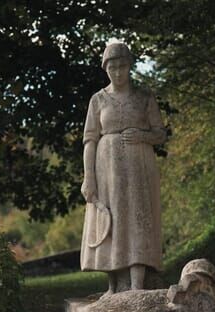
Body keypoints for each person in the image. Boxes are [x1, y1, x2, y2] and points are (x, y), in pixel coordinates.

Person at [80, 42, 167, 296]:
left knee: (137, 218)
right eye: (112, 67)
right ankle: (114, 285)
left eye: (122, 66)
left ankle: (137, 284)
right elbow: (89, 140)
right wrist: (89, 178)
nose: (117, 72)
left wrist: (142, 136)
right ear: (106, 69)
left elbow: (160, 133)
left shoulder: (144, 97)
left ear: (130, 66)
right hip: (107, 168)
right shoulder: (98, 100)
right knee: (112, 221)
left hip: (139, 166)